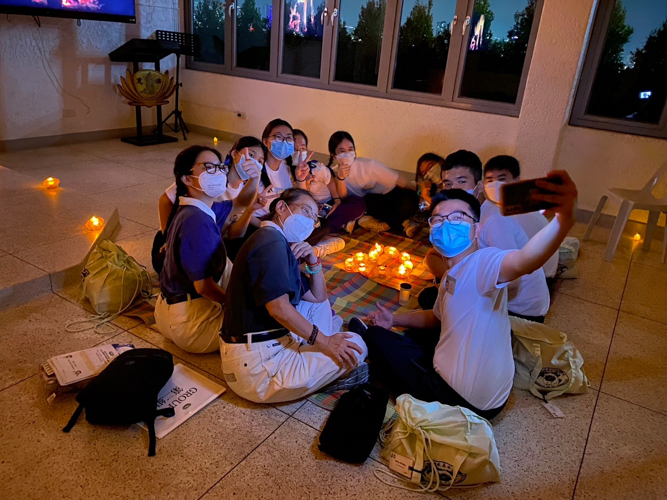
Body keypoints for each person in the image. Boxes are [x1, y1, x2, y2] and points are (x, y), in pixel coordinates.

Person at [350, 173, 578, 419]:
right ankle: (414, 349)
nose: (446, 225)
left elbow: (524, 260)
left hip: (458, 400)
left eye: (457, 218)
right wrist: (393, 320)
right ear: (431, 231)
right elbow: (436, 318)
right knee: (428, 302)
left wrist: (563, 220)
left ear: (477, 229)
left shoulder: (483, 262)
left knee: (376, 338)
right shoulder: (451, 274)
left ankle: (380, 355)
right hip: (493, 395)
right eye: (438, 220)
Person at [220, 188, 368, 403]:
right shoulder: (271, 243)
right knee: (357, 345)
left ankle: (320, 350)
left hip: (262, 349)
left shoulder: (276, 241)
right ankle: (327, 358)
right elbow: (278, 308)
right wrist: (325, 342)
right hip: (257, 368)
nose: (309, 221)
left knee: (320, 309)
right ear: (281, 207)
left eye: (314, 219)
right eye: (306, 211)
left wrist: (313, 261)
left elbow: (318, 297)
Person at [154, 145, 259, 354]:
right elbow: (203, 287)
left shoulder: (196, 207)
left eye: (220, 167)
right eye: (208, 167)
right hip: (192, 326)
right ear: (186, 178)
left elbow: (239, 204)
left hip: (170, 315)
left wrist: (254, 178)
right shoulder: (197, 221)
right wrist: (235, 304)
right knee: (263, 317)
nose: (219, 173)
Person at [154, 137, 265, 269]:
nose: (252, 162)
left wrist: (255, 179)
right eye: (250, 155)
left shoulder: (221, 203)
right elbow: (165, 201)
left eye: (259, 161)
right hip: (173, 252)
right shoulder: (194, 210)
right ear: (235, 153)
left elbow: (240, 206)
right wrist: (168, 237)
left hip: (209, 244)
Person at [290, 129, 365, 256]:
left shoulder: (316, 168)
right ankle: (335, 227)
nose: (299, 152)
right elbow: (300, 199)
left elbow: (330, 180)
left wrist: (336, 201)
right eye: (294, 148)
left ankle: (335, 224)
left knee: (358, 204)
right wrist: (305, 183)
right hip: (309, 212)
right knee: (310, 226)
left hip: (328, 205)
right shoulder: (287, 173)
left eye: (303, 148)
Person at [327, 131, 419, 233]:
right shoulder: (333, 173)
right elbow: (343, 197)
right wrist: (341, 178)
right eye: (342, 151)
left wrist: (417, 190)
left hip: (389, 194)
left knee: (410, 200)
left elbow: (398, 180)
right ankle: (400, 223)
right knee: (366, 204)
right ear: (334, 155)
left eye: (350, 149)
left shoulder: (367, 165)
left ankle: (385, 221)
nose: (347, 154)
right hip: (370, 203)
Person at [484, 155, 558, 278]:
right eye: (490, 180)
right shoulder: (497, 205)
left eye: (502, 179)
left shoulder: (518, 211)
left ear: (516, 181)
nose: (495, 185)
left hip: (540, 274)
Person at [403, 153, 446, 239]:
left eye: (430, 167)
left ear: (440, 162)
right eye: (425, 172)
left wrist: (427, 197)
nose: (429, 172)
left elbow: (444, 210)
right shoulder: (432, 186)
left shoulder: (452, 183)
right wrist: (424, 194)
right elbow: (422, 208)